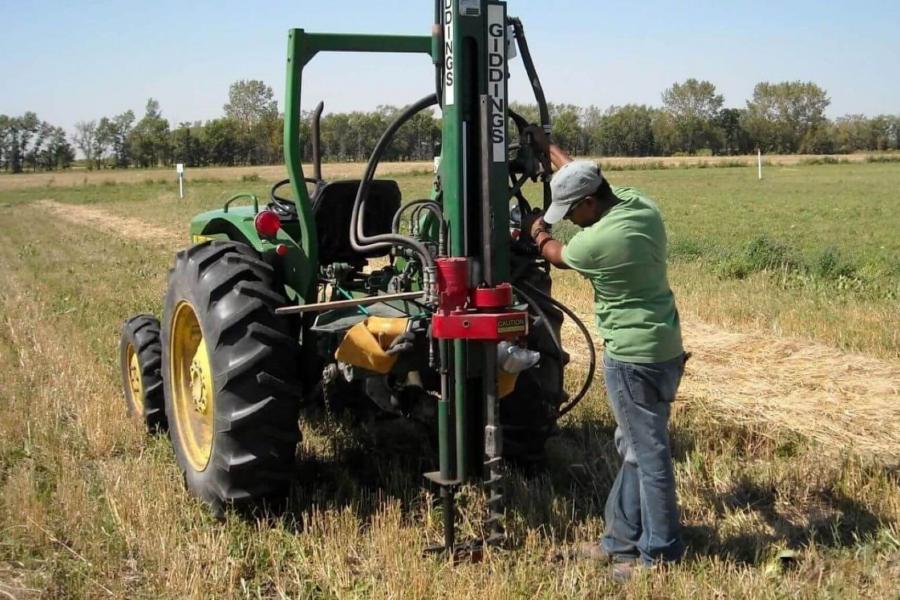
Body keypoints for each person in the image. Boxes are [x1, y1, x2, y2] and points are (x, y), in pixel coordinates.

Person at [523, 127, 687, 582]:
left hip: (631, 360)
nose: (569, 218)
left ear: (590, 203)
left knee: (649, 456)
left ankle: (660, 557)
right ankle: (618, 542)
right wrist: (551, 151)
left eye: (571, 211)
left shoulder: (597, 244)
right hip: (665, 350)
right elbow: (583, 175)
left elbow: (556, 254)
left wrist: (538, 232)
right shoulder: (639, 206)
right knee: (634, 449)